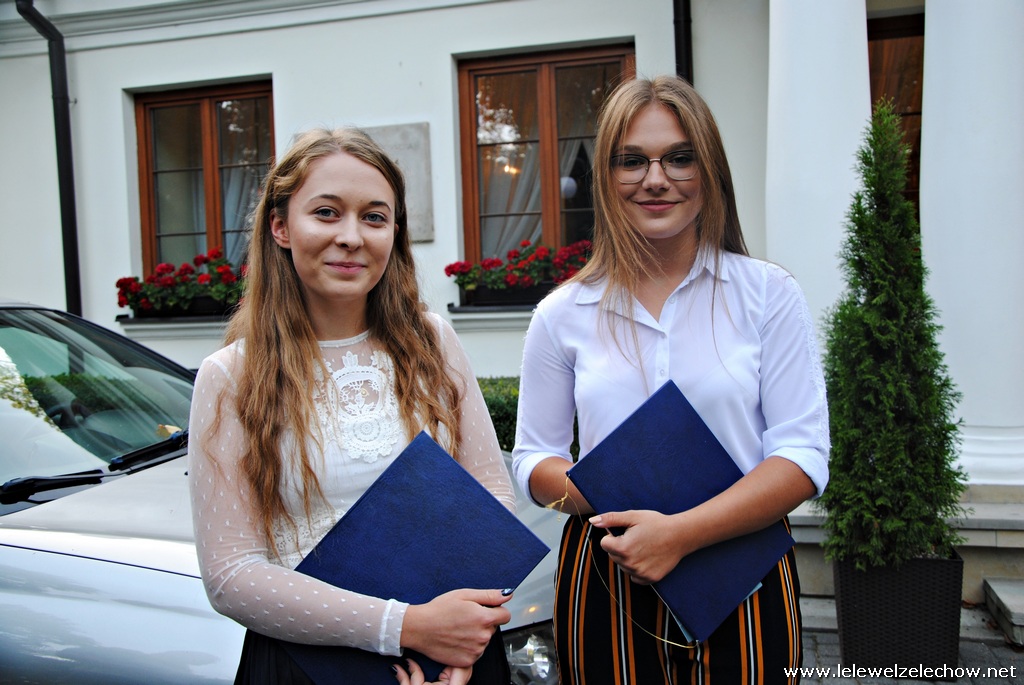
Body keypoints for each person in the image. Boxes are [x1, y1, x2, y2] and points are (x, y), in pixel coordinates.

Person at [511, 75, 830, 684]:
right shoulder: (561, 314)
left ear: (710, 171)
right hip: (608, 567)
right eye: (631, 161)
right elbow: (533, 461)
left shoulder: (768, 295)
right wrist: (611, 501)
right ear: (606, 178)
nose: (655, 179)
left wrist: (681, 532)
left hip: (740, 566)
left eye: (679, 158)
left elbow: (802, 453)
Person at [187, 127, 516, 685]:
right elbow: (231, 575)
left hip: (454, 657)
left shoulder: (432, 341)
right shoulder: (231, 377)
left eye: (374, 217)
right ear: (280, 227)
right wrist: (405, 627)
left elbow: (491, 498)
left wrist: (456, 647)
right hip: (309, 666)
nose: (351, 237)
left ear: (394, 233)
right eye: (326, 213)